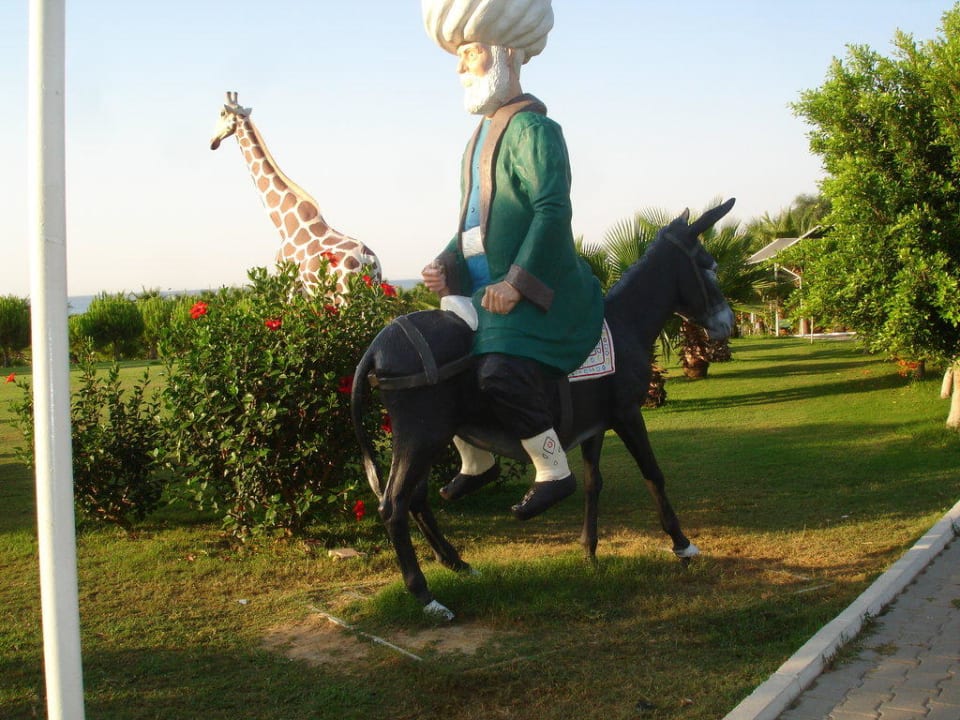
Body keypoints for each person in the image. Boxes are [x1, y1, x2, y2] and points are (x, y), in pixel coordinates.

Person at [420, 0, 604, 520]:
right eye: (459, 56)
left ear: (505, 55)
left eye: (471, 53)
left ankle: (553, 469)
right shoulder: (476, 139)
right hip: (482, 294)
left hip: (538, 297)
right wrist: (445, 262)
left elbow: (552, 210)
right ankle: (477, 460)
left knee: (497, 371)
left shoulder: (535, 131)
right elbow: (472, 225)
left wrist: (517, 283)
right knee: (440, 364)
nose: (461, 67)